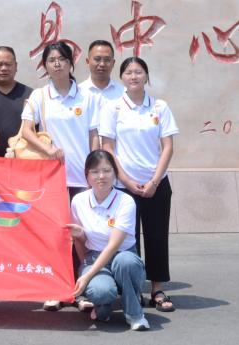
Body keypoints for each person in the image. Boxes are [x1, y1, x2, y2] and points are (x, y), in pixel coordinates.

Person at [18, 41, 101, 312]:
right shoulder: (39, 96)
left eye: (61, 59)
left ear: (70, 63)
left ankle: (81, 289)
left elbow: (94, 136)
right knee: (54, 234)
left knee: (81, 235)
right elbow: (26, 130)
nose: (57, 64)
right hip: (52, 178)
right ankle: (55, 289)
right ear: (45, 65)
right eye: (51, 60)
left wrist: (94, 171)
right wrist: (49, 149)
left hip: (82, 178)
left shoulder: (87, 97)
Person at [99, 56, 178, 313]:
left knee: (157, 237)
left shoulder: (159, 107)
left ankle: (157, 289)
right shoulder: (112, 107)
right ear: (121, 77)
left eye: (139, 72)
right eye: (129, 72)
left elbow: (168, 147)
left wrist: (154, 180)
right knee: (127, 240)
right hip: (125, 186)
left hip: (156, 184)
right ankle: (132, 289)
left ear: (146, 76)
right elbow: (107, 147)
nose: (134, 76)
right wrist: (126, 180)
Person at [67, 149, 150, 331]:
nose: (101, 176)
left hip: (122, 255)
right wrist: (84, 262)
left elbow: (113, 246)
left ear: (115, 174)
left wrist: (86, 276)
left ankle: (135, 314)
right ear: (87, 176)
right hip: (93, 257)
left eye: (107, 170)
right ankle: (103, 305)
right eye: (95, 172)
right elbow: (80, 242)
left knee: (126, 262)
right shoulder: (78, 201)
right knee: (101, 291)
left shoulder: (126, 201)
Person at [79, 40, 125, 112]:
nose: (102, 64)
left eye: (107, 60)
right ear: (88, 62)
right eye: (97, 59)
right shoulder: (78, 92)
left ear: (113, 63)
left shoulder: (124, 94)